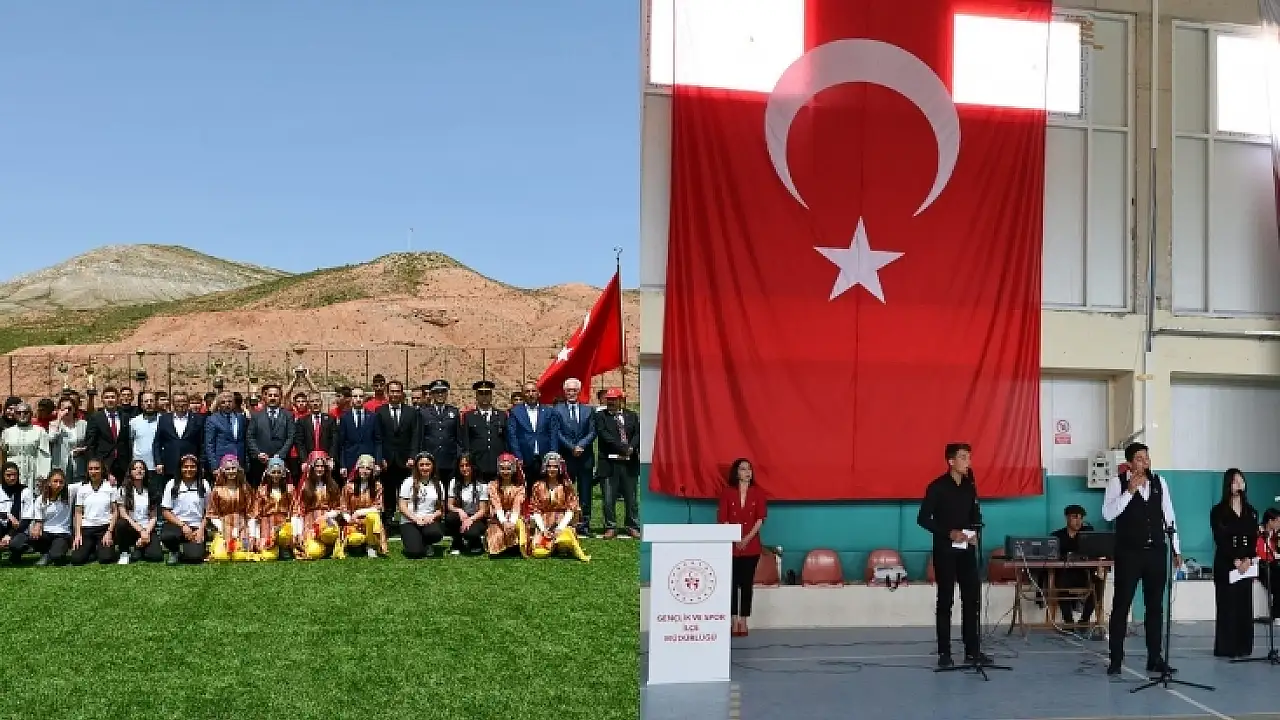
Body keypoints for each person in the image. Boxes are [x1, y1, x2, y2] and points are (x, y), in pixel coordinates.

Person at [1102, 442, 1179, 676]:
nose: (1144, 462)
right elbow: (1108, 514)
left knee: (1155, 607)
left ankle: (1154, 657)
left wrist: (1176, 549)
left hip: (1156, 552)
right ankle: (1116, 658)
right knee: (1121, 605)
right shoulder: (1117, 483)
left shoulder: (1159, 482)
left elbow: (1169, 517)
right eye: (1139, 458)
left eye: (1146, 457)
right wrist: (1129, 492)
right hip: (1129, 554)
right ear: (1129, 463)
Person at [917, 443, 986, 668]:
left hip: (967, 550)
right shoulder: (937, 487)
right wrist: (949, 533)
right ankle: (944, 653)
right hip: (945, 550)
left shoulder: (969, 486)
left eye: (969, 457)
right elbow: (923, 519)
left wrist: (974, 533)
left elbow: (975, 516)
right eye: (963, 457)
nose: (968, 462)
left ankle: (972, 650)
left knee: (971, 599)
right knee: (945, 600)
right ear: (951, 461)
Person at [1210, 469, 1258, 658]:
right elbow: (1220, 538)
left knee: (1244, 605)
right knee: (1227, 605)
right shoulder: (1218, 511)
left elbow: (1253, 539)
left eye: (1241, 480)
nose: (1239, 484)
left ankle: (1243, 646)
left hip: (1246, 565)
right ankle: (1226, 647)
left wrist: (1248, 559)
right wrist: (1235, 560)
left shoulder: (1251, 511)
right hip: (1226, 563)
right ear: (1228, 484)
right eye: (1235, 481)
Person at [718, 457, 767, 638]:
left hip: (751, 545)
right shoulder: (727, 492)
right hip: (730, 546)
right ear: (736, 472)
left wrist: (746, 539)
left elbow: (760, 519)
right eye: (743, 469)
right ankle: (732, 620)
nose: (747, 472)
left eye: (749, 469)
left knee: (746, 584)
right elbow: (723, 518)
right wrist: (734, 537)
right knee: (731, 584)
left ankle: (743, 620)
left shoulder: (758, 493)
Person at [525, 452, 590, 562]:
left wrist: (560, 528)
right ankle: (551, 545)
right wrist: (543, 529)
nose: (552, 469)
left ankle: (561, 544)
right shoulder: (538, 485)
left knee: (563, 543)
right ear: (545, 467)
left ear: (560, 468)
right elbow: (535, 509)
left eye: (555, 466)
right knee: (537, 552)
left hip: (562, 522)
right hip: (544, 523)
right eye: (549, 466)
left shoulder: (566, 485)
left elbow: (571, 508)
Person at [1049, 505, 1104, 628]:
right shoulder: (1057, 536)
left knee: (1099, 584)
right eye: (1074, 517)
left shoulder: (1088, 535)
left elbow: (1097, 552)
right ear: (1067, 518)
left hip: (1084, 574)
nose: (1078, 521)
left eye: (1080, 518)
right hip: (1065, 574)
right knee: (1061, 583)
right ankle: (1068, 622)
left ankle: (1084, 621)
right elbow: (1051, 556)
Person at [398, 452, 446, 559]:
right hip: (410, 521)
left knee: (435, 533)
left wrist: (432, 517)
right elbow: (402, 506)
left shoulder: (438, 484)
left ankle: (427, 543)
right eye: (421, 465)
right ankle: (415, 541)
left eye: (428, 464)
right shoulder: (408, 482)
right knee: (414, 553)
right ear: (417, 467)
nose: (425, 468)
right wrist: (416, 519)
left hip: (428, 521)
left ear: (433, 466)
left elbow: (440, 509)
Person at [444, 454, 488, 554]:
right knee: (450, 518)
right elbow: (449, 505)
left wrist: (470, 520)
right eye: (461, 466)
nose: (464, 468)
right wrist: (459, 511)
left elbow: (483, 510)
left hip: (476, 517)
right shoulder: (454, 482)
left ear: (473, 466)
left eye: (467, 465)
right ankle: (457, 543)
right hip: (461, 515)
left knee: (471, 533)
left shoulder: (481, 485)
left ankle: (476, 542)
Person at [485, 453, 527, 557]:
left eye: (508, 469)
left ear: (513, 469)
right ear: (499, 470)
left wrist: (511, 522)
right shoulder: (492, 485)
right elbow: (496, 504)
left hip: (515, 518)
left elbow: (517, 505)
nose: (505, 472)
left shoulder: (519, 487)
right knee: (497, 536)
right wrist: (504, 522)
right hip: (497, 519)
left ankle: (515, 546)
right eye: (502, 469)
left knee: (518, 530)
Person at [1258, 509, 1280, 625]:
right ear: (1270, 521)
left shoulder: (1277, 535)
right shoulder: (1258, 533)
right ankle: (1276, 614)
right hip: (1261, 565)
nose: (1279, 524)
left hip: (1274, 564)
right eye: (1277, 521)